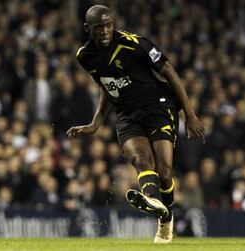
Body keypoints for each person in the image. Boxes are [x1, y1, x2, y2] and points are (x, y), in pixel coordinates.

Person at [66, 5, 205, 243]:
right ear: (88, 29)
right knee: (141, 160)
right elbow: (107, 85)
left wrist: (189, 115)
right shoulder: (85, 56)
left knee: (164, 172)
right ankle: (152, 200)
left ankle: (165, 219)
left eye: (108, 25)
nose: (104, 30)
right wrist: (95, 122)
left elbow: (170, 72)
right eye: (98, 27)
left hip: (158, 106)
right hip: (127, 114)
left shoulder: (135, 44)